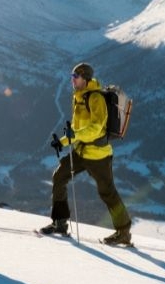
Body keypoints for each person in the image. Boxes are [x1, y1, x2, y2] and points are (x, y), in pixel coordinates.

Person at [39, 62, 134, 246]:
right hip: (81, 151)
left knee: (107, 192)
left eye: (76, 76)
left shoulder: (95, 98)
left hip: (98, 155)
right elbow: (76, 129)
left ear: (85, 78)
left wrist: (75, 136)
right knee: (59, 177)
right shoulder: (79, 97)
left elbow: (96, 128)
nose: (72, 80)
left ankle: (124, 233)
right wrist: (62, 141)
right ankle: (60, 223)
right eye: (72, 76)